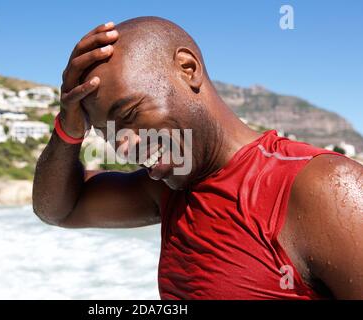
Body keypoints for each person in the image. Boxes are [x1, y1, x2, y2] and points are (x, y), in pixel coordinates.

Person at [33, 17, 363, 299]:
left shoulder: (324, 187)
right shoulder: (167, 191)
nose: (126, 144)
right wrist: (68, 128)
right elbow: (59, 209)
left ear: (188, 69)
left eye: (131, 113)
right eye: (108, 133)